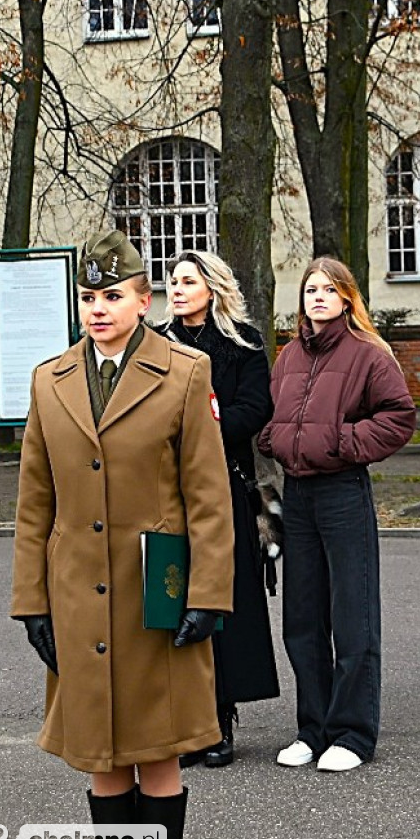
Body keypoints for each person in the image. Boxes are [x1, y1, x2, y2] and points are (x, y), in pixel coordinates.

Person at [10, 231, 234, 839]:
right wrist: (32, 602)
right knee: (100, 759)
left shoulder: (185, 374)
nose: (98, 309)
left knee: (159, 752)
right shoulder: (49, 382)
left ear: (144, 301)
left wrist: (209, 594)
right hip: (77, 598)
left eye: (112, 296)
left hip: (154, 596)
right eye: (87, 298)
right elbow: (34, 504)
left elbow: (209, 498)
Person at [258, 257, 415, 773]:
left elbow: (398, 419)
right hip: (298, 494)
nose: (318, 297)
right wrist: (274, 440)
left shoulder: (369, 355)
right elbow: (270, 416)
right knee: (302, 619)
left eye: (329, 289)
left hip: (343, 491)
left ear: (347, 297)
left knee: (353, 617)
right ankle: (312, 728)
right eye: (310, 289)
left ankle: (351, 733)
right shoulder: (288, 357)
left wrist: (341, 442)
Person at [158, 250, 279, 768]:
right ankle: (182, 722)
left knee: (219, 600)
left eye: (188, 280)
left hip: (223, 483)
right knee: (168, 599)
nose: (177, 289)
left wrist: (200, 434)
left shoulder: (243, 344)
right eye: (172, 282)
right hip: (161, 489)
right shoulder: (156, 344)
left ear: (212, 286)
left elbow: (255, 408)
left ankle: (219, 722)